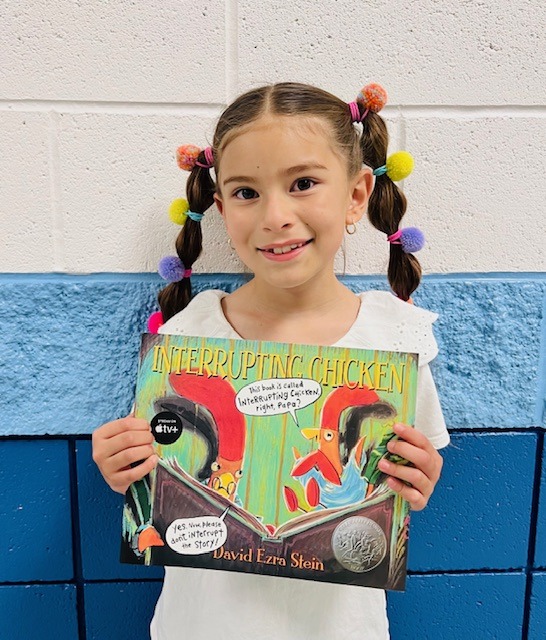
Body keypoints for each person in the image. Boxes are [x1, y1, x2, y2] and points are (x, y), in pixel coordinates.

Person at [92, 82, 450, 640]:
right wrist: (124, 467)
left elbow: (409, 477)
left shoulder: (395, 339)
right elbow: (157, 471)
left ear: (357, 195)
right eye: (246, 192)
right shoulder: (190, 335)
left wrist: (420, 479)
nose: (275, 216)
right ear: (220, 205)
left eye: (303, 183)